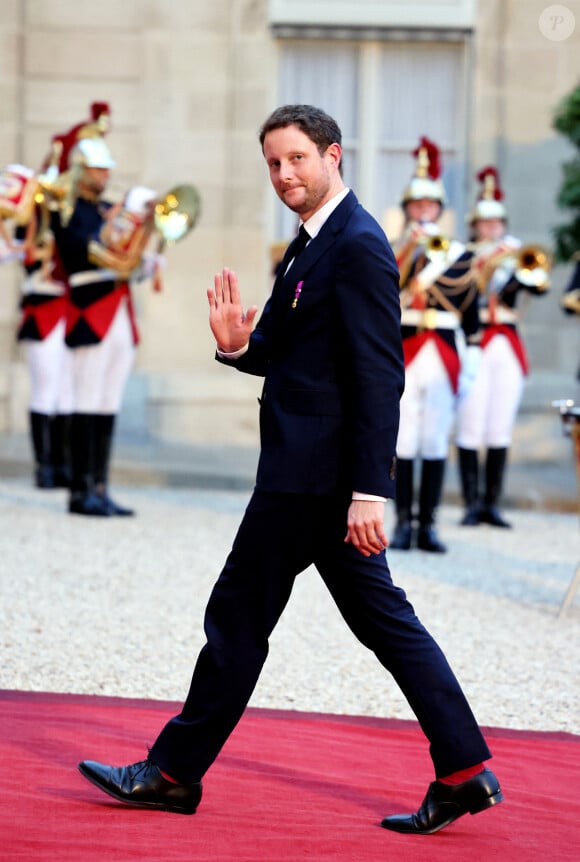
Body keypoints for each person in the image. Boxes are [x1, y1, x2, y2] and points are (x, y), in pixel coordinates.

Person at [77, 105, 502, 835]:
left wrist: (372, 489)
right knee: (384, 623)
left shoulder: (362, 245)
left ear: (333, 156)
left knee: (238, 616)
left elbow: (378, 374)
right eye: (273, 162)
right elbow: (282, 347)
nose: (284, 175)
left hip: (316, 480)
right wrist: (241, 346)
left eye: (297, 159)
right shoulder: (310, 245)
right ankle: (464, 770)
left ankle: (173, 774)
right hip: (308, 472)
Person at [50, 136, 157, 517]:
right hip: (89, 308)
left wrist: (146, 238)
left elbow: (129, 258)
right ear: (81, 170)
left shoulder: (108, 208)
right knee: (86, 399)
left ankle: (100, 486)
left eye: (106, 167)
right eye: (98, 167)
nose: (105, 173)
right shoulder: (66, 210)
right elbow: (83, 250)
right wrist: (120, 220)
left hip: (119, 310)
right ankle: (80, 492)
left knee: (108, 401)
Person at [390, 137, 481, 553]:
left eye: (429, 207)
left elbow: (468, 308)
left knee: (434, 437)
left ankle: (428, 524)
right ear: (407, 208)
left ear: (439, 211)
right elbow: (388, 294)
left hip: (442, 348)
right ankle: (402, 523)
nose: (423, 212)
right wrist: (410, 251)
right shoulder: (393, 250)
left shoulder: (459, 257)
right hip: (406, 345)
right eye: (416, 206)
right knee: (403, 437)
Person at [455, 166, 551, 527]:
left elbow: (538, 286)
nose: (490, 229)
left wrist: (515, 271)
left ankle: (491, 502)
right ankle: (470, 502)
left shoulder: (516, 252)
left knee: (499, 423)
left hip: (507, 341)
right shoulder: (464, 254)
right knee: (471, 421)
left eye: (496, 224)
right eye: (484, 224)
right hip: (476, 340)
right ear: (475, 226)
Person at [0, 162, 74, 488]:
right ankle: (44, 467)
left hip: (70, 315)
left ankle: (62, 464)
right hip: (42, 312)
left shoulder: (66, 226)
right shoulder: (24, 225)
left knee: (67, 393)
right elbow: (11, 253)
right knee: (45, 389)